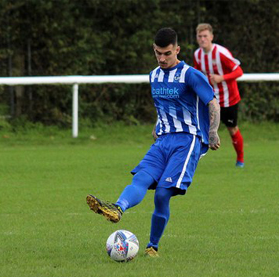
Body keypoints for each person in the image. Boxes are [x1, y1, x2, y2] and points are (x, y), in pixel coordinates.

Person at [86, 27, 220, 258]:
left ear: (177, 50)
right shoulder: (154, 75)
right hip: (163, 141)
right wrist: (157, 126)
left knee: (161, 195)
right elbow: (163, 105)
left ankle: (152, 246)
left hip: (187, 141)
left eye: (167, 53)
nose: (162, 58)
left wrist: (214, 132)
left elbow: (213, 104)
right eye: (158, 53)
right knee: (141, 179)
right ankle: (117, 208)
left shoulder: (190, 75)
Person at [193, 23, 245, 168]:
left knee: (232, 128)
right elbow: (196, 74)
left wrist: (221, 78)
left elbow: (239, 72)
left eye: (205, 36)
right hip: (210, 98)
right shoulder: (197, 55)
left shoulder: (221, 53)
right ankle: (195, 157)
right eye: (200, 36)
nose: (202, 39)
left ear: (211, 37)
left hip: (228, 98)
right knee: (199, 127)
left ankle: (240, 160)